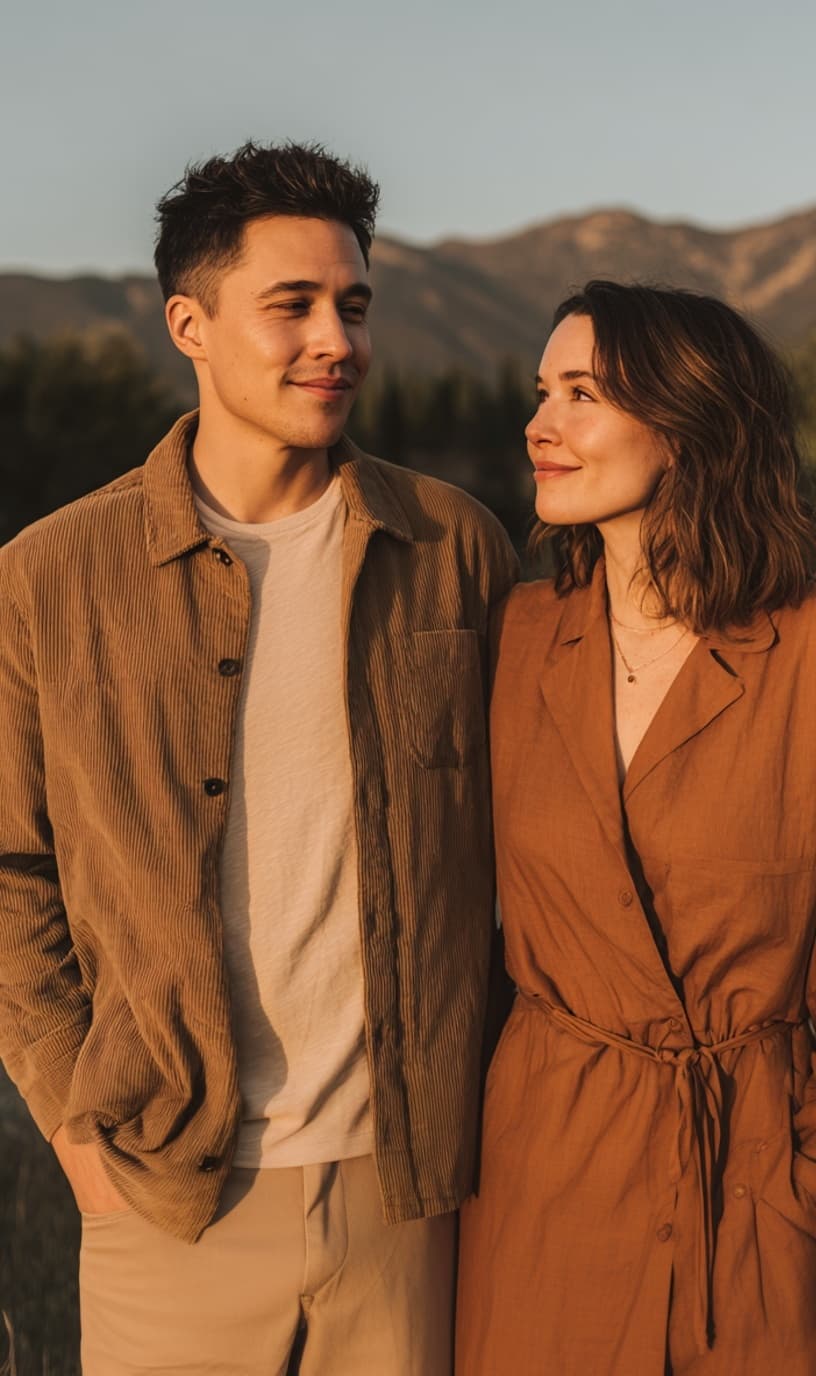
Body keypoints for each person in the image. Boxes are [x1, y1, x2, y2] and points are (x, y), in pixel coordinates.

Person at [0, 141, 517, 1376]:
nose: (336, 340)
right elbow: (11, 873)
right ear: (190, 323)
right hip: (170, 1197)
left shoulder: (455, 548)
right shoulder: (49, 578)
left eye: (353, 304)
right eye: (292, 305)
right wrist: (79, 1129)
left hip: (413, 1195)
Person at [455, 280, 816, 1376]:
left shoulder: (804, 653)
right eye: (540, 391)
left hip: (758, 1199)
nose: (539, 423)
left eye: (583, 394)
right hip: (547, 1186)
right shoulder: (513, 637)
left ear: (689, 421)